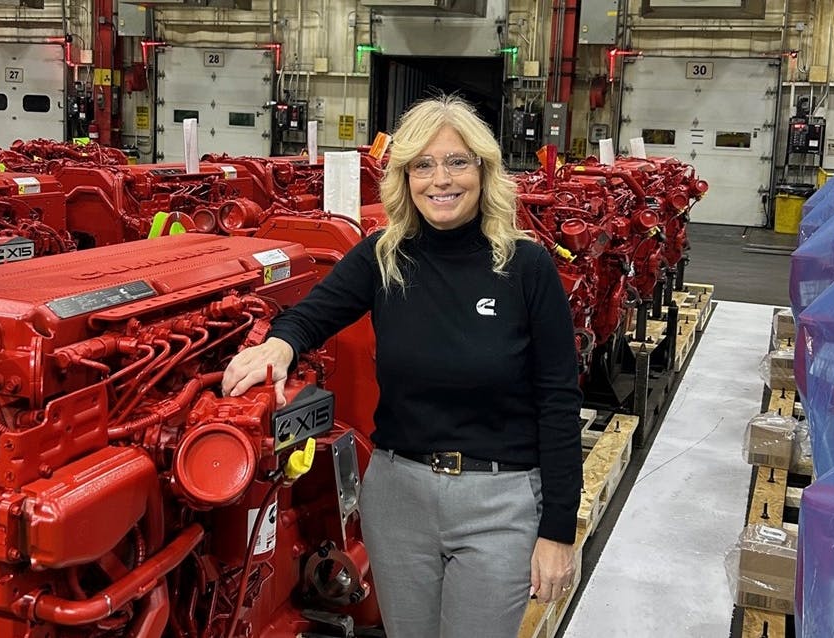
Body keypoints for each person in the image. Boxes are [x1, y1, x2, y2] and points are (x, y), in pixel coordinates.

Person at [222, 95, 583, 637]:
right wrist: (279, 346)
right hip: (399, 498)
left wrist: (557, 531)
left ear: (484, 171)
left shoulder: (525, 267)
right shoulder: (383, 257)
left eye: (458, 162)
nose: (442, 179)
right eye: (424, 165)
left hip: (499, 504)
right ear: (405, 177)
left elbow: (559, 400)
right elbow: (311, 314)